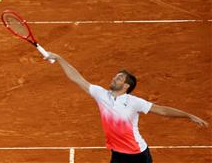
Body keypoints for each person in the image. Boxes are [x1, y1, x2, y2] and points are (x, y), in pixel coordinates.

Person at [46, 52, 208, 163]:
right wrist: (60, 58)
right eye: (115, 76)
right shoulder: (101, 94)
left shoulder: (134, 102)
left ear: (126, 86)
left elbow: (162, 110)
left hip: (138, 156)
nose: (114, 78)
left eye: (119, 78)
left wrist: (188, 115)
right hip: (117, 154)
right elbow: (76, 78)